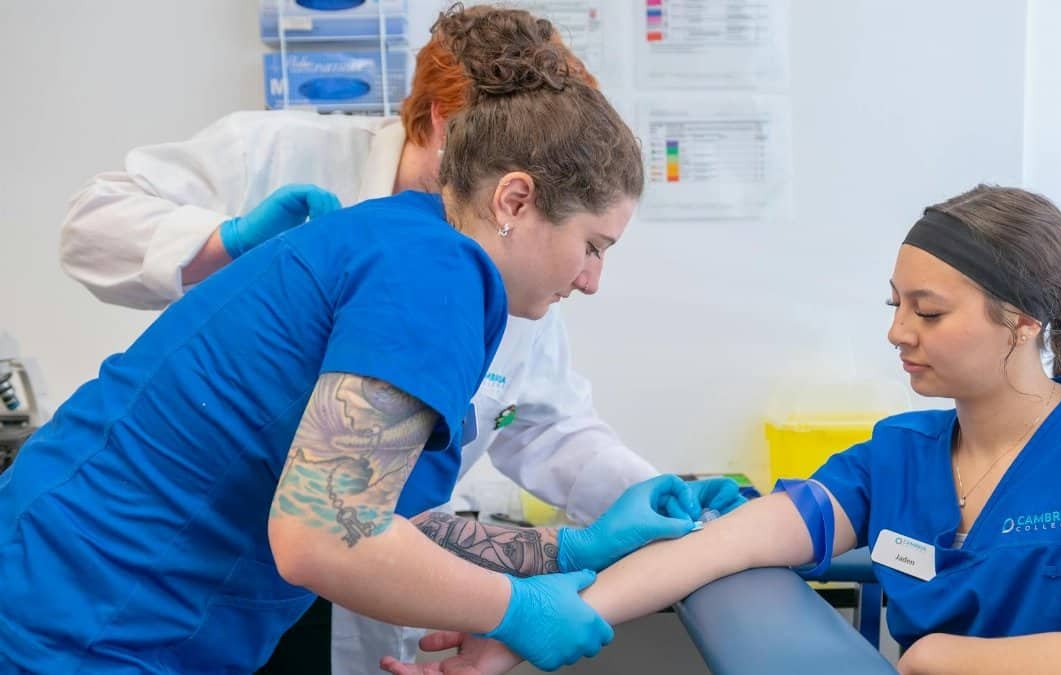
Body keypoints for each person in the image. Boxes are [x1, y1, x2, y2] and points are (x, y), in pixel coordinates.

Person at [56, 5, 745, 673]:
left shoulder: (442, 253)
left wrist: (572, 544)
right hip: (102, 605)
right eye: (591, 247)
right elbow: (325, 529)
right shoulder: (428, 261)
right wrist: (514, 607)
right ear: (508, 190)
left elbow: (382, 493)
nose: (592, 281)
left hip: (186, 596)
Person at [387, 185, 1061, 675]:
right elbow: (719, 545)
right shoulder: (899, 453)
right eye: (895, 306)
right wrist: (521, 628)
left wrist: (933, 657)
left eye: (929, 312)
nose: (897, 334)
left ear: (1021, 320)